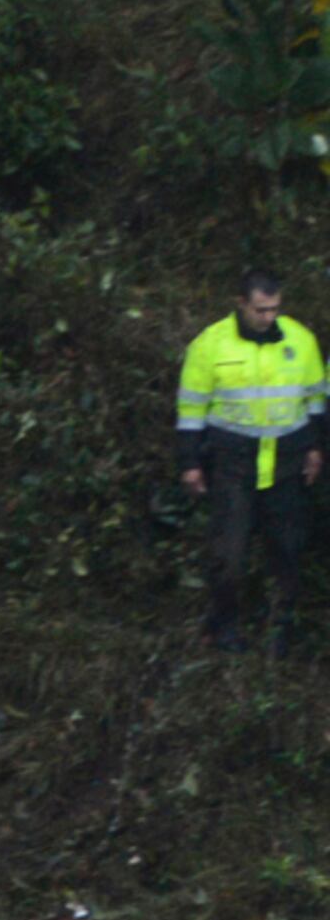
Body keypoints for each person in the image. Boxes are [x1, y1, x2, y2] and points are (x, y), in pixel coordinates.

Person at [178, 267, 325, 650]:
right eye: (261, 309)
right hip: (233, 464)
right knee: (228, 554)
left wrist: (315, 449)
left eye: (274, 309)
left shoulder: (301, 341)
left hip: (288, 463)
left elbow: (315, 402)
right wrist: (189, 462)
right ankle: (224, 628)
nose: (268, 317)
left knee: (288, 549)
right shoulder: (210, 346)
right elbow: (191, 410)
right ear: (241, 304)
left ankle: (280, 631)